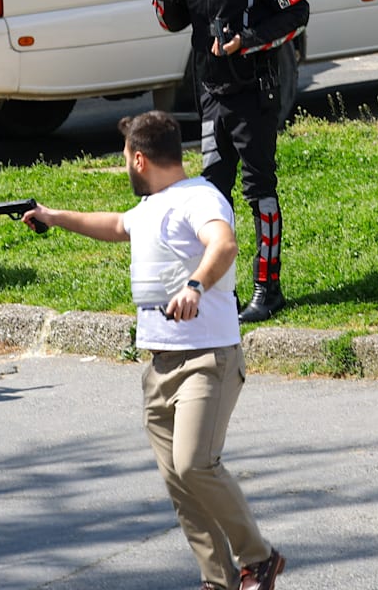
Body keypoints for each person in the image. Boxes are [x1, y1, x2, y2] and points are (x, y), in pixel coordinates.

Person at [19, 111, 285, 590]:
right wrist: (53, 217)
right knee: (180, 483)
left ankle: (259, 558)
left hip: (206, 359)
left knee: (195, 465)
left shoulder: (200, 198)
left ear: (139, 159)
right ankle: (219, 580)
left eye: (126, 157)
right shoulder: (150, 208)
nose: (126, 166)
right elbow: (116, 225)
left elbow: (224, 244)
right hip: (159, 366)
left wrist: (195, 285)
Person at [150, 0, 309, 322]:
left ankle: (267, 289)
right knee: (211, 196)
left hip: (254, 95)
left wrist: (248, 40)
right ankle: (221, 292)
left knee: (259, 191)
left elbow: (298, 12)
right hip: (210, 98)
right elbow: (174, 22)